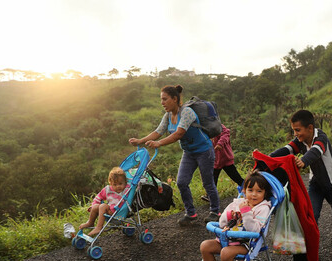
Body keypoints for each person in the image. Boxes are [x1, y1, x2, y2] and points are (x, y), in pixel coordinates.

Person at [129, 85, 220, 226]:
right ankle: (191, 214)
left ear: (175, 99)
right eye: (161, 99)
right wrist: (140, 141)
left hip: (204, 151)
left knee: (207, 183)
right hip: (189, 153)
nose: (162, 103)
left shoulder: (187, 112)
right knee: (182, 183)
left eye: (165, 99)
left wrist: (159, 143)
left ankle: (215, 211)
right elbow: (158, 131)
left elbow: (178, 134)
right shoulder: (168, 116)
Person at [270, 110, 332, 247]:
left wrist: (303, 160)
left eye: (297, 130)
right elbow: (287, 149)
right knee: (312, 214)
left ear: (310, 128)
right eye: (294, 130)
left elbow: (316, 150)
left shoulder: (321, 137)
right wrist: (269, 157)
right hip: (316, 184)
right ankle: (310, 242)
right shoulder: (300, 141)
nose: (295, 134)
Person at [199, 172, 272, 261]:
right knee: (205, 246)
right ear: (244, 191)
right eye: (250, 190)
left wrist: (246, 212)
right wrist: (229, 215)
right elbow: (222, 224)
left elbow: (254, 230)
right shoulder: (236, 203)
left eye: (259, 191)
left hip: (246, 244)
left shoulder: (263, 208)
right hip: (228, 239)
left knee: (226, 253)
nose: (254, 194)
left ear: (265, 193)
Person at [80, 167, 130, 236]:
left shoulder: (127, 189)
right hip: (108, 211)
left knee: (103, 206)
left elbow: (136, 188)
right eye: (115, 184)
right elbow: (98, 197)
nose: (118, 186)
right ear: (111, 184)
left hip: (118, 213)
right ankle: (90, 223)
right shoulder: (108, 190)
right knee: (95, 207)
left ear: (125, 183)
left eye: (120, 184)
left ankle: (99, 227)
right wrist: (93, 206)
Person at [201, 124, 244, 202]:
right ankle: (210, 196)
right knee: (213, 178)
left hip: (225, 158)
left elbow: (226, 133)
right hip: (215, 160)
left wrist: (220, 143)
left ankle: (247, 188)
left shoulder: (216, 124)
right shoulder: (202, 128)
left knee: (235, 176)